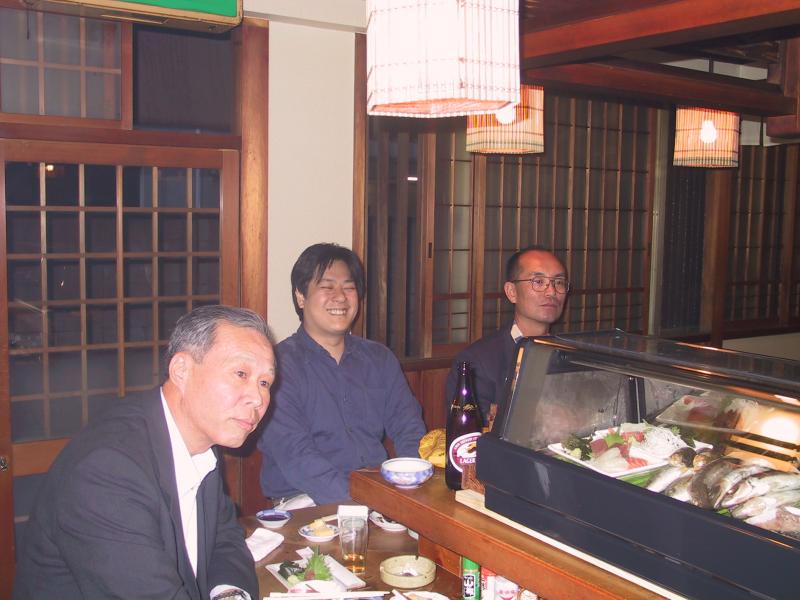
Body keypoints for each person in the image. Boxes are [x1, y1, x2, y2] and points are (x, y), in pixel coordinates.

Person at [14, 305, 276, 600]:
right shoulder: (107, 471)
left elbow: (224, 537)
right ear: (181, 370)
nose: (258, 398)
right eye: (241, 373)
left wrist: (229, 594)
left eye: (264, 382)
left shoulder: (200, 443)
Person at [258, 243, 426, 506]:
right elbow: (297, 457)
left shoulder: (379, 359)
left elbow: (409, 428)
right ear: (301, 296)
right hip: (306, 499)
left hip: (378, 490)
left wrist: (412, 483)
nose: (340, 297)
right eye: (327, 287)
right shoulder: (276, 366)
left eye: (349, 287)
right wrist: (365, 501)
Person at [444, 246, 569, 419]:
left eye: (559, 282)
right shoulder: (476, 362)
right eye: (538, 282)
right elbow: (470, 429)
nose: (552, 291)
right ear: (512, 292)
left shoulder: (570, 352)